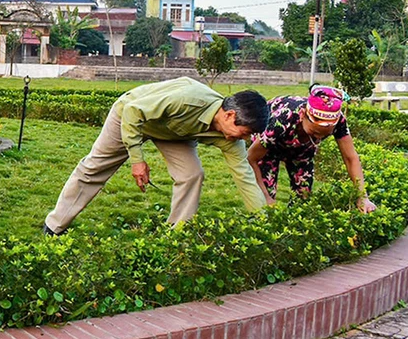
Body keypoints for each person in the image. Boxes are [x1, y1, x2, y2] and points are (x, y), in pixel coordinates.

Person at [44, 77, 270, 234]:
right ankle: (55, 226)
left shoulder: (231, 139)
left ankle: (177, 233)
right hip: (131, 117)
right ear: (229, 115)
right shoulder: (187, 100)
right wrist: (137, 160)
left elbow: (245, 177)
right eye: (245, 133)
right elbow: (133, 111)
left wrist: (264, 222)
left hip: (174, 132)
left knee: (192, 174)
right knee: (94, 168)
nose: (245, 139)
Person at [247, 85, 376, 213]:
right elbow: (251, 158)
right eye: (314, 132)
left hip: (302, 151)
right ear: (303, 115)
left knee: (303, 199)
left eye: (324, 135)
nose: (318, 138)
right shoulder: (281, 120)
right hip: (268, 149)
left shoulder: (338, 120)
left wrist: (363, 197)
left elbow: (351, 158)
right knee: (264, 202)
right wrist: (266, 197)